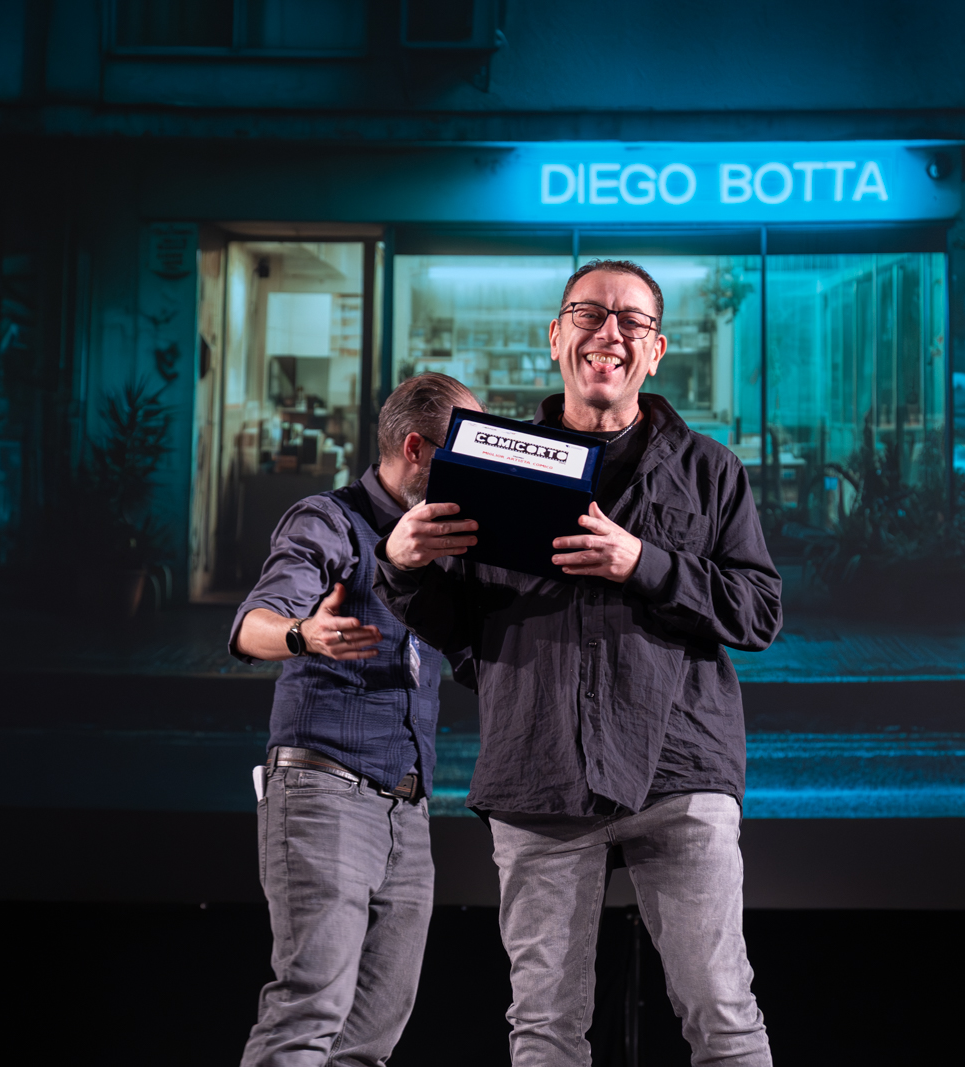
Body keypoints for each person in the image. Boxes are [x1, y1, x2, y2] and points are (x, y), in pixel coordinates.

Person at [375, 261, 782, 1066]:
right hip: (541, 773)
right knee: (545, 1029)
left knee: (723, 1016)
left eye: (633, 321)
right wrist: (405, 566)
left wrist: (644, 563)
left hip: (680, 771)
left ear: (657, 350)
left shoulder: (711, 470)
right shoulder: (491, 461)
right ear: (557, 335)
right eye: (590, 314)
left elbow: (759, 610)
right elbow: (460, 628)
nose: (610, 333)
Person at [230, 372, 481, 1067]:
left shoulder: (445, 540)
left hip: (408, 808)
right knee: (309, 1011)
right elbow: (251, 625)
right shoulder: (327, 520)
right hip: (325, 791)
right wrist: (303, 633)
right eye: (463, 458)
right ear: (416, 448)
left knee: (370, 1039)